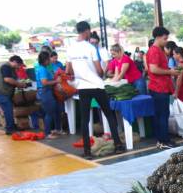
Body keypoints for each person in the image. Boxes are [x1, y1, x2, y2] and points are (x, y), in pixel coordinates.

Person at [65, 21, 124, 158]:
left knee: (85, 120)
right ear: (86, 31)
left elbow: (68, 70)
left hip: (82, 88)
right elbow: (99, 70)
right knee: (109, 115)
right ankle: (118, 144)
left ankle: (87, 151)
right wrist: (101, 74)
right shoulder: (91, 48)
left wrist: (79, 74)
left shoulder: (70, 49)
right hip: (97, 86)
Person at [146, 26, 182, 149]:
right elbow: (153, 69)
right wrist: (170, 72)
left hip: (160, 87)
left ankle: (162, 139)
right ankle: (163, 140)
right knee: (162, 114)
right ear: (158, 37)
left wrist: (169, 70)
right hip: (158, 87)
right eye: (165, 38)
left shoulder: (157, 50)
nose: (166, 41)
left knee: (161, 114)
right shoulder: (155, 50)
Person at [0, 55, 27, 134]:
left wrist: (17, 83)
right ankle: (10, 129)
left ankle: (11, 126)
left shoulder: (10, 68)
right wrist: (19, 84)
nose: (18, 67)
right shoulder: (6, 67)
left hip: (1, 91)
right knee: (8, 108)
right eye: (18, 65)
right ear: (14, 62)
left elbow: (12, 79)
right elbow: (7, 79)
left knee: (8, 109)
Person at [35, 51, 62, 139]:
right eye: (49, 58)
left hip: (48, 91)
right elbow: (44, 82)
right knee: (49, 112)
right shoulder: (42, 69)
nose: (51, 60)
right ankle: (47, 133)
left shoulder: (46, 68)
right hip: (45, 92)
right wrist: (56, 81)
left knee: (55, 110)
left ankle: (57, 129)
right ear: (45, 60)